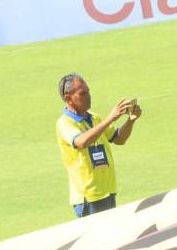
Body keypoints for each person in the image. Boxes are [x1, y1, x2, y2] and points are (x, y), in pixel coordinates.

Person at [55, 73, 142, 217]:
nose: (88, 96)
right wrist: (110, 118)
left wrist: (131, 120)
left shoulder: (94, 118)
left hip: (107, 191)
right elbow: (81, 142)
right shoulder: (64, 123)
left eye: (88, 92)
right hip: (88, 197)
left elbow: (119, 139)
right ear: (67, 98)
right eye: (82, 93)